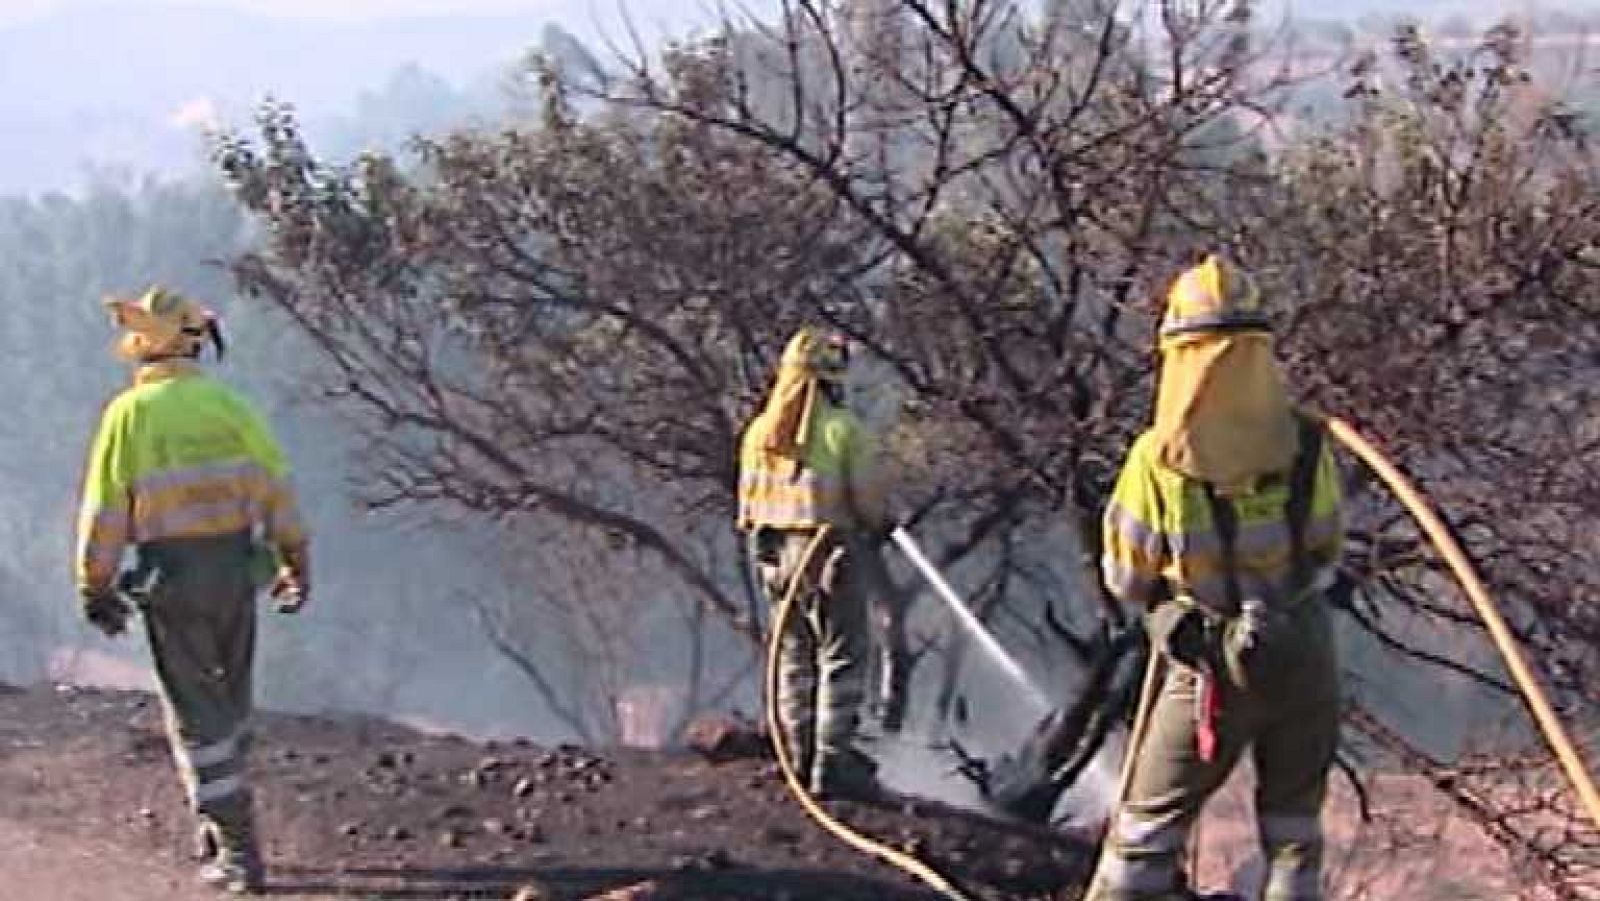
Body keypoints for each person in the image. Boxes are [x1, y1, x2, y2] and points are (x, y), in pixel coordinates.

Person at [1087, 255, 1345, 901]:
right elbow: (1326, 551)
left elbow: (1125, 577)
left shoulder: (1157, 459)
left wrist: (1174, 603)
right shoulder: (1308, 443)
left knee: (1145, 832)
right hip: (1304, 653)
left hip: (1209, 671)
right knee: (1294, 834)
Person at [73, 286, 310, 894]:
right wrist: (295, 563)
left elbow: (106, 511)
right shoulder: (231, 407)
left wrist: (94, 585)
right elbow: (277, 489)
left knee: (197, 717)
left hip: (171, 581)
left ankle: (238, 851)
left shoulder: (129, 415)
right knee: (231, 701)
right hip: (237, 572)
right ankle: (216, 823)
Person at [738, 327, 891, 800]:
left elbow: (748, 504)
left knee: (792, 656)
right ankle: (832, 764)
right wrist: (880, 522)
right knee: (842, 656)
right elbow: (869, 505)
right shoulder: (844, 430)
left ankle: (796, 757)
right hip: (829, 556)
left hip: (774, 559)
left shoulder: (760, 433)